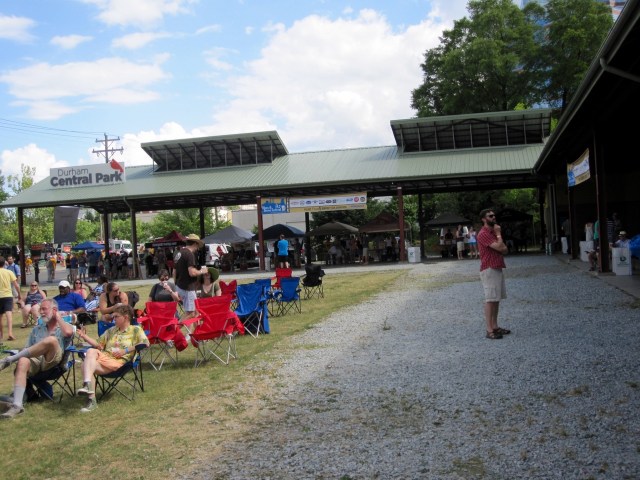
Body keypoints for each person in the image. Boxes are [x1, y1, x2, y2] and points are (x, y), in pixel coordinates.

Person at [0, 298, 74, 419]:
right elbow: (28, 349)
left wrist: (58, 318)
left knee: (51, 340)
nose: (41, 312)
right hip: (37, 361)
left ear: (54, 310)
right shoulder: (36, 329)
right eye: (40, 309)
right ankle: (17, 405)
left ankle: (10, 360)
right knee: (23, 360)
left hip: (54, 363)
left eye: (44, 309)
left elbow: (68, 334)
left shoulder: (65, 327)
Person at [75, 304, 149, 413]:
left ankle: (88, 388)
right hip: (105, 358)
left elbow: (146, 343)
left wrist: (126, 350)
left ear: (126, 317)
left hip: (120, 363)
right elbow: (98, 345)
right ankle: (92, 400)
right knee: (88, 359)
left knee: (87, 359)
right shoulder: (112, 330)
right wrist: (84, 336)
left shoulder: (135, 330)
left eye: (116, 317)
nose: (113, 319)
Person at [477, 209, 510, 340]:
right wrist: (498, 233)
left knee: (496, 299)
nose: (493, 217)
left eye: (494, 215)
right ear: (483, 219)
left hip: (497, 267)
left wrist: (498, 237)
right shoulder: (484, 234)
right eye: (490, 216)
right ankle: (489, 329)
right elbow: (499, 247)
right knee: (490, 299)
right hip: (489, 268)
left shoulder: (492, 233)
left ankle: (495, 326)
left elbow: (505, 249)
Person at [174, 234, 208, 321]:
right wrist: (202, 271)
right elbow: (192, 273)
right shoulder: (189, 254)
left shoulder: (179, 253)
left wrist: (176, 286)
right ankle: (174, 331)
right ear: (195, 244)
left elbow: (174, 272)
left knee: (195, 312)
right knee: (191, 313)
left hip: (179, 286)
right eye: (198, 245)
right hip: (188, 288)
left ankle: (190, 334)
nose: (198, 248)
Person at [0, 256, 21, 342]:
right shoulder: (9, 272)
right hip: (8, 295)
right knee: (9, 315)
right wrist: (19, 294)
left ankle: (1, 335)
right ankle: (10, 333)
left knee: (0, 317)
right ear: (4, 262)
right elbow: (16, 285)